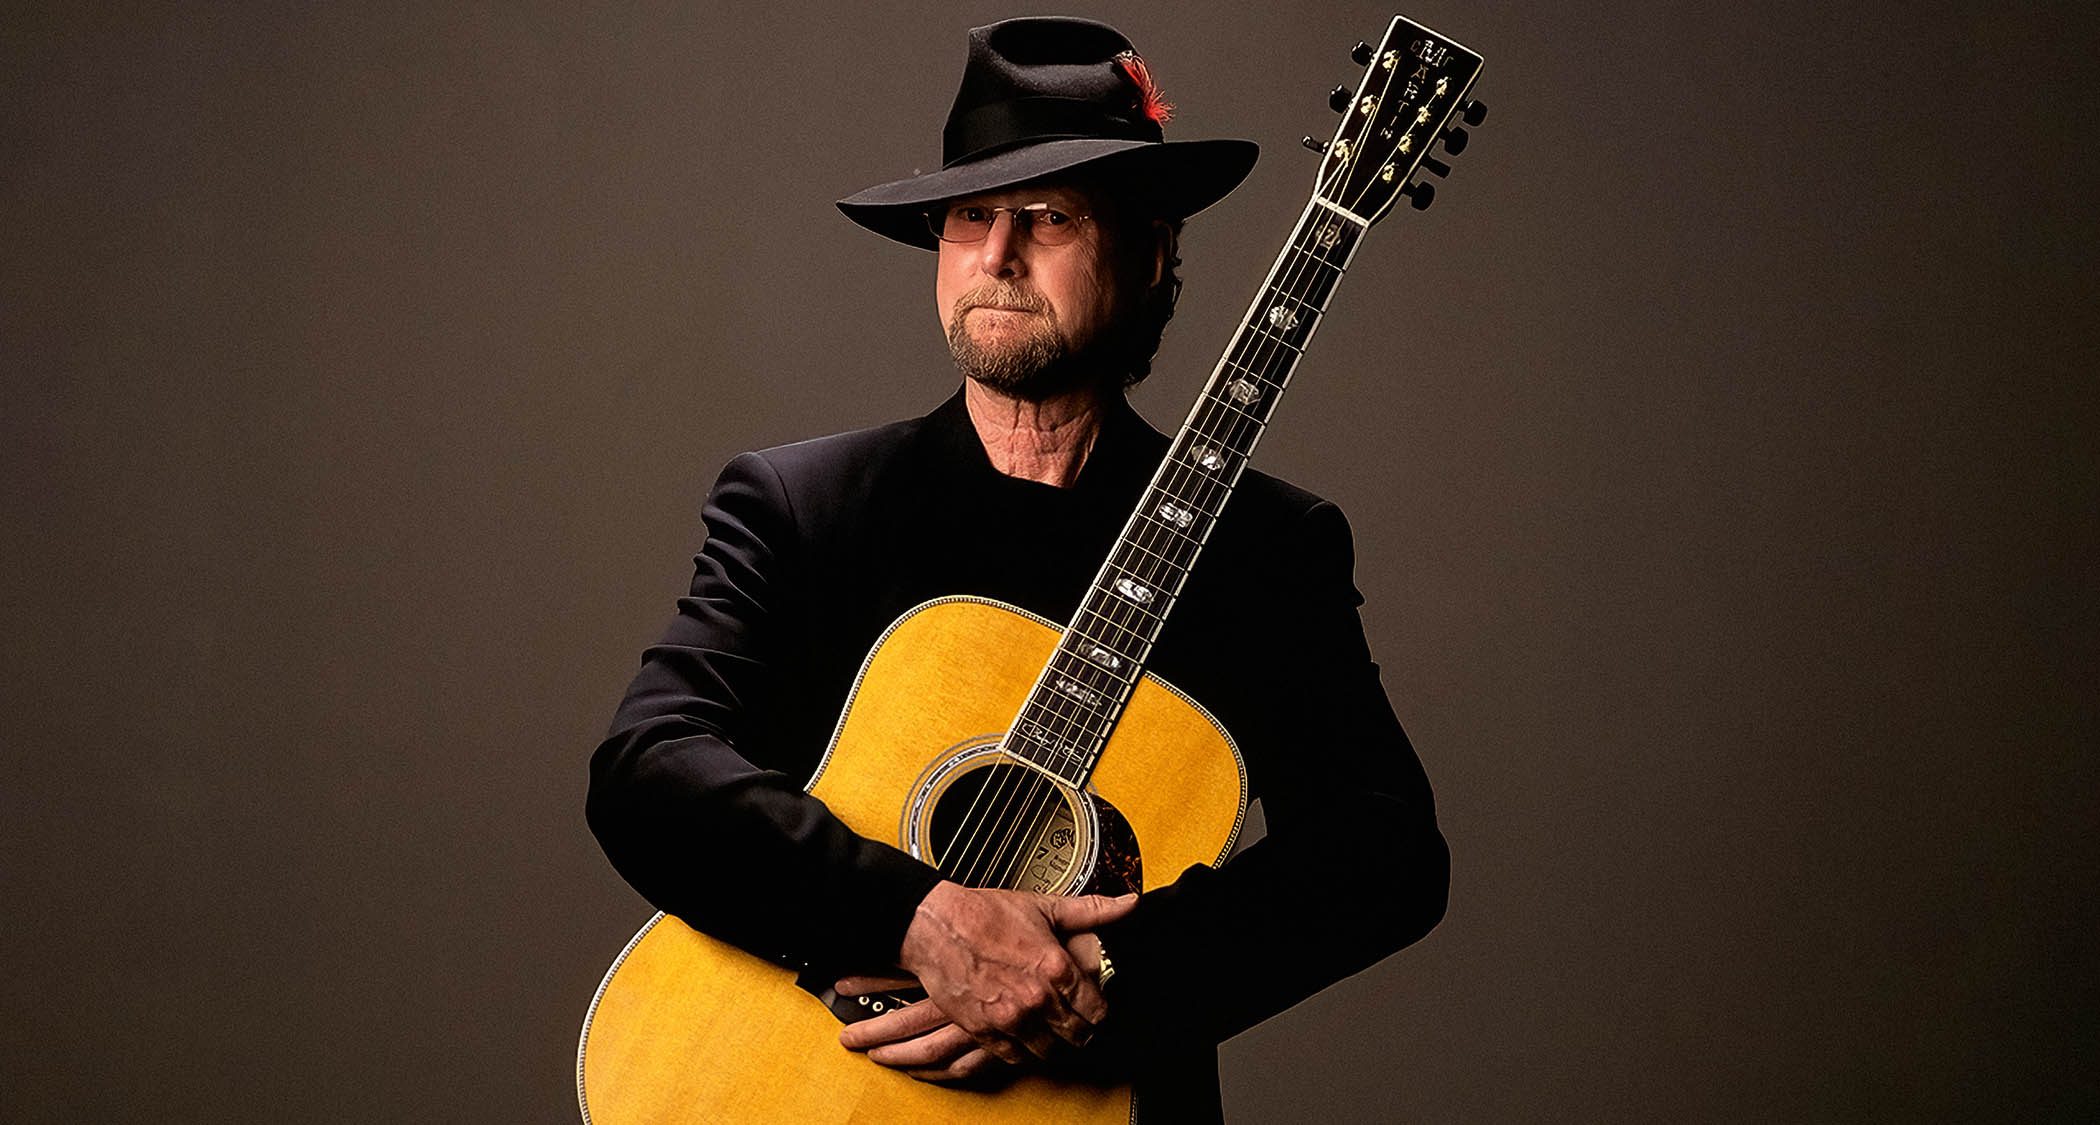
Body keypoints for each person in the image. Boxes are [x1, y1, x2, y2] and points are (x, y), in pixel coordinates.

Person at [586, 16, 1449, 1120]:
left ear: (1150, 251)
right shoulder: (806, 507)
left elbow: (1385, 855)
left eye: (1048, 218)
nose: (995, 256)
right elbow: (649, 769)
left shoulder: (1269, 548)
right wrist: (918, 921)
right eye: (968, 218)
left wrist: (1100, 986)